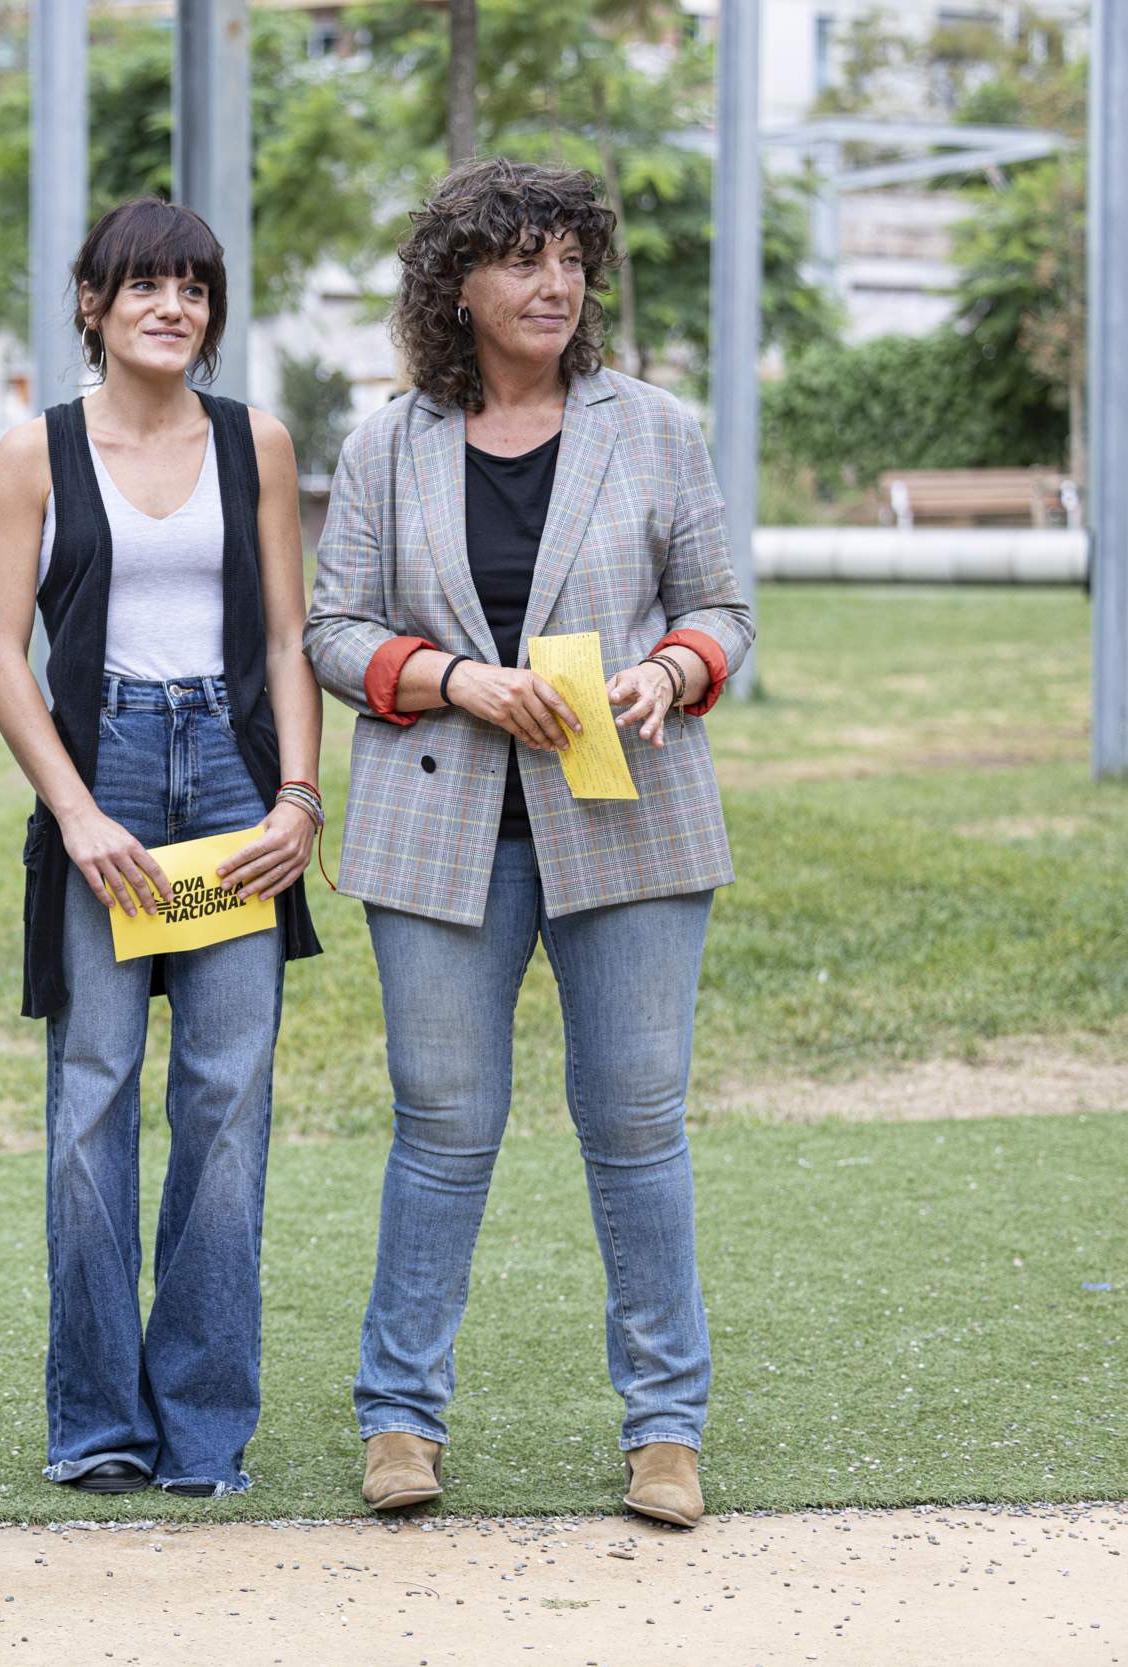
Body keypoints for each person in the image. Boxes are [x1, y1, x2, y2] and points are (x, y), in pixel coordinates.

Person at [305, 158, 754, 1529]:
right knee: (443, 1128)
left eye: (570, 259)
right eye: (521, 260)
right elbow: (333, 631)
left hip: (629, 823)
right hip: (439, 829)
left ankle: (665, 1430)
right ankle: (400, 1417)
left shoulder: (657, 427)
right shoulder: (390, 443)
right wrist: (453, 677)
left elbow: (724, 607)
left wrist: (671, 672)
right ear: (459, 285)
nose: (554, 284)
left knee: (636, 1126)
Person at [0, 198, 324, 1500]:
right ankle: (98, 1421)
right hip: (106, 767)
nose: (172, 306)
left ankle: (203, 1431)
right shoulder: (38, 452)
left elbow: (287, 637)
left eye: (194, 287)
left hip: (234, 781)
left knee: (228, 1106)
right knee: (93, 1102)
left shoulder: (259, 444)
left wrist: (298, 798)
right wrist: (76, 812)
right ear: (92, 303)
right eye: (145, 286)